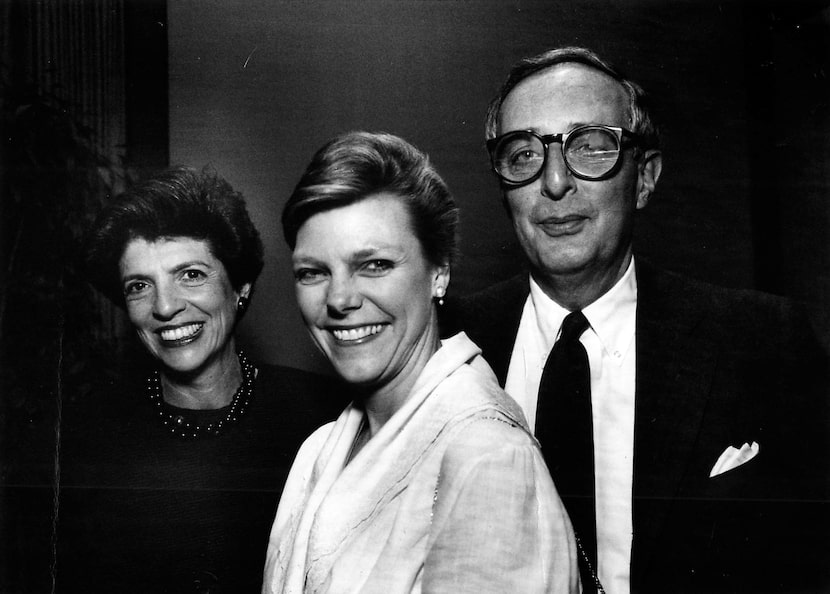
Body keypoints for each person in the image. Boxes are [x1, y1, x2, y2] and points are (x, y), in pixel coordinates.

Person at [448, 47, 830, 593]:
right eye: (524, 154)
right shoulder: (448, 346)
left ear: (645, 178)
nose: (555, 182)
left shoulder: (763, 341)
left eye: (591, 147)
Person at [261, 131, 578, 594]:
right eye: (314, 273)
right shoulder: (319, 449)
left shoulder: (486, 454)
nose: (340, 299)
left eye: (375, 265)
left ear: (439, 272)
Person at [56, 166, 345, 593]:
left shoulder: (324, 418)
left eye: (190, 274)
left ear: (240, 286)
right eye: (139, 286)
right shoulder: (89, 436)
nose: (165, 307)